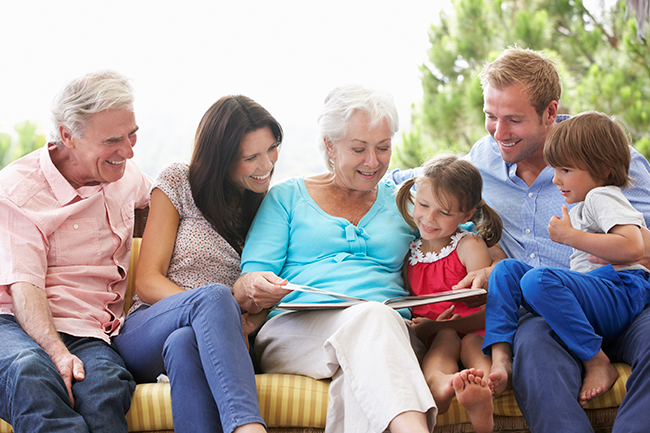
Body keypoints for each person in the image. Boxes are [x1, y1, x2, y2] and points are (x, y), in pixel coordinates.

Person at [461, 47, 650, 433]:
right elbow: (421, 181)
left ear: (550, 112)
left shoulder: (606, 159)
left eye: (513, 120)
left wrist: (596, 243)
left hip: (621, 299)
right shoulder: (482, 161)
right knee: (533, 348)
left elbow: (640, 244)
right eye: (490, 117)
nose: (499, 132)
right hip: (548, 314)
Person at [233, 85, 437, 433]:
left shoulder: (406, 202)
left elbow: (458, 231)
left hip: (392, 333)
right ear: (330, 145)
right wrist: (255, 286)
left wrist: (485, 265)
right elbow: (248, 282)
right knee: (373, 318)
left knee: (361, 366)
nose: (373, 161)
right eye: (359, 149)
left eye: (383, 148)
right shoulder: (288, 197)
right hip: (297, 331)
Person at [113, 95, 280, 433]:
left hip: (213, 341)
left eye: (272, 149)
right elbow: (146, 280)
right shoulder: (179, 182)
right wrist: (211, 309)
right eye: (251, 157)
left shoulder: (271, 208)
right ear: (222, 159)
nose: (266, 166)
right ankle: (248, 427)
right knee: (215, 297)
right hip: (149, 326)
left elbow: (275, 285)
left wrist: (249, 321)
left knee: (185, 343)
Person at [0, 70, 152, 432]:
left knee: (103, 390)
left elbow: (163, 206)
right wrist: (56, 353)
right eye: (113, 140)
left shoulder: (125, 173)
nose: (128, 151)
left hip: (90, 330)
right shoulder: (18, 191)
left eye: (132, 135)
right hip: (14, 321)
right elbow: (25, 289)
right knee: (29, 372)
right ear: (68, 135)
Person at [484, 111, 650, 408]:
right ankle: (501, 357)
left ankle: (596, 360)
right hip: (597, 291)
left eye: (565, 170)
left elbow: (634, 246)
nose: (556, 178)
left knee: (538, 280)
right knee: (506, 271)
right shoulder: (583, 202)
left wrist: (569, 236)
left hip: (623, 289)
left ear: (602, 168)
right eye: (555, 169)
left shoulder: (603, 196)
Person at [396, 153, 502, 433]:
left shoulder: (469, 245)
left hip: (474, 330)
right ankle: (443, 385)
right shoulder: (412, 254)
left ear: (467, 215)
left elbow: (488, 311)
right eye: (423, 204)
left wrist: (442, 325)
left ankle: (483, 387)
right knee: (441, 345)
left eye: (443, 212)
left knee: (465, 344)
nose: (428, 218)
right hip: (434, 337)